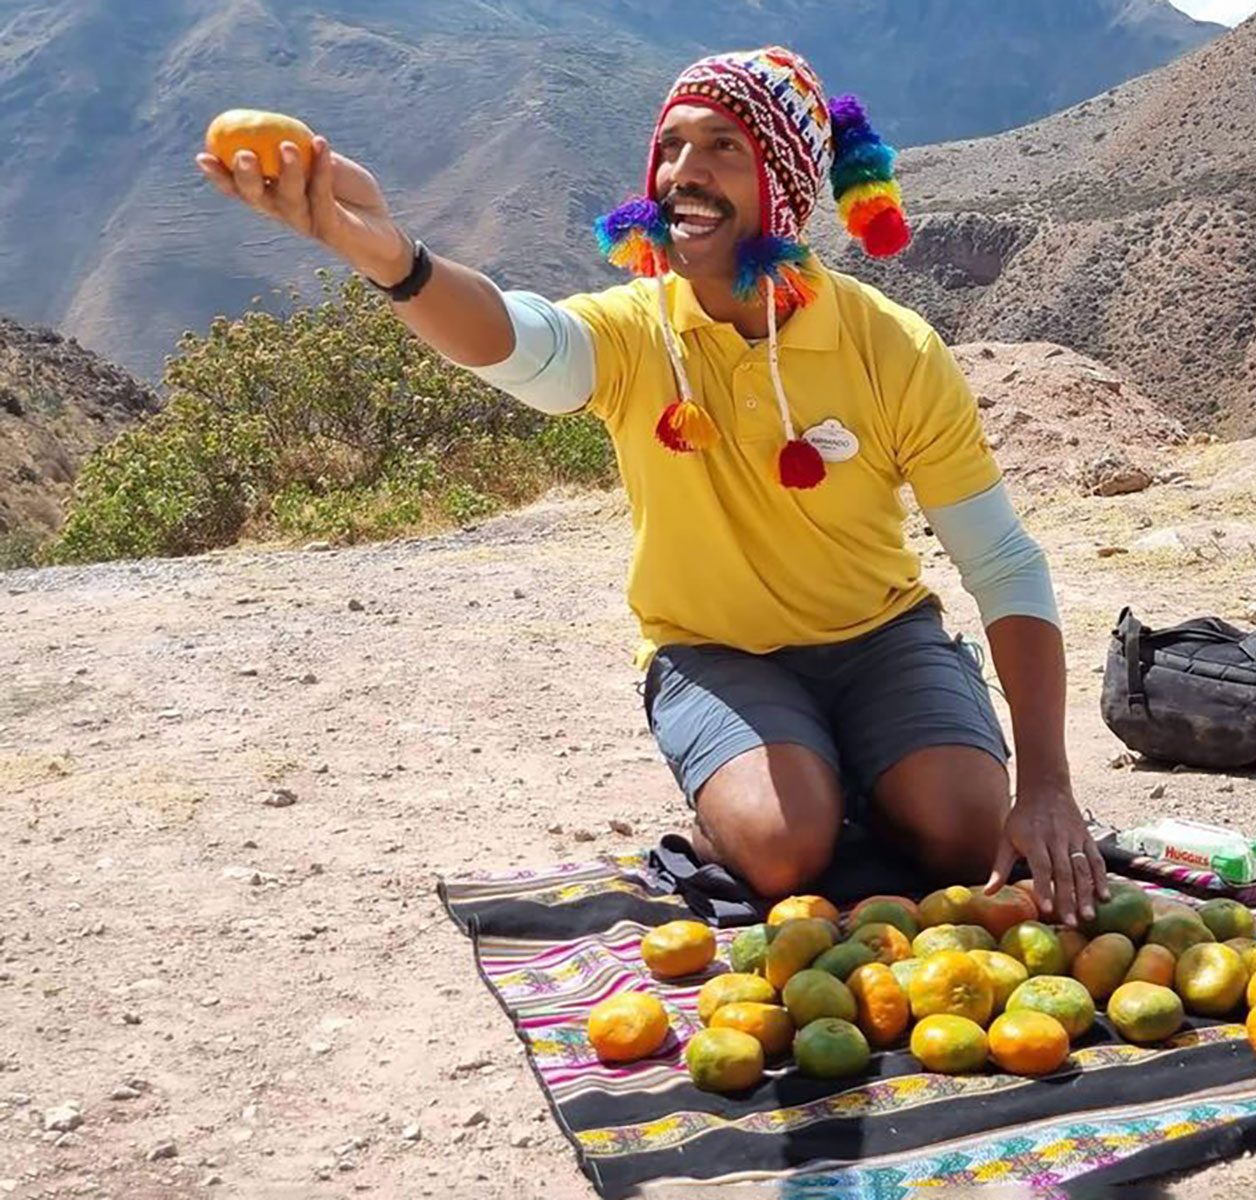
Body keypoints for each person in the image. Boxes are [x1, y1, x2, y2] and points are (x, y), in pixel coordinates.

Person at [196, 46, 1107, 923]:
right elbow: (515, 341)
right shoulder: (635, 333)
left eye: (721, 148)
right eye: (670, 147)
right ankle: (785, 786)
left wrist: (1051, 788)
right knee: (785, 848)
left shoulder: (892, 347)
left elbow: (1000, 561)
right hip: (712, 654)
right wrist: (394, 257)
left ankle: (870, 756)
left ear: (784, 185)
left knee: (967, 833)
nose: (682, 171)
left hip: (881, 637)